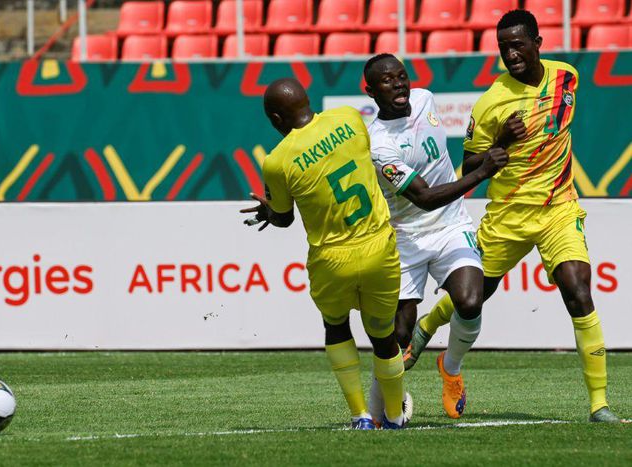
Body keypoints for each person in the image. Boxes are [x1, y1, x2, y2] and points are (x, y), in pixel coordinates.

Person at [406, 9, 619, 423]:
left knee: (578, 291)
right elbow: (468, 169)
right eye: (503, 47)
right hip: (507, 216)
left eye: (518, 45)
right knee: (473, 297)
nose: (511, 54)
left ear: (537, 44)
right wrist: (500, 141)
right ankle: (431, 325)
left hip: (559, 209)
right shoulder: (490, 104)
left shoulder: (567, 77)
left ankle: (599, 405)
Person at [241, 78, 407, 430]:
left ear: (275, 118)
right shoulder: (348, 118)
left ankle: (361, 415)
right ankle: (394, 416)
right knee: (383, 336)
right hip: (378, 246)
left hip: (331, 259)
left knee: (336, 326)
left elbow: (284, 218)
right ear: (307, 99)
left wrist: (268, 211)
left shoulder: (277, 161)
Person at [362, 54, 508, 419]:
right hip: (405, 237)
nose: (398, 84)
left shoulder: (426, 99)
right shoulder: (379, 145)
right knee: (398, 335)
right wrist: (482, 172)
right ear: (370, 91)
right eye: (387, 80)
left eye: (401, 76)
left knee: (471, 300)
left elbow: (445, 158)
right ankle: (385, 406)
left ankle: (451, 369)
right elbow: (424, 198)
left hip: (450, 225)